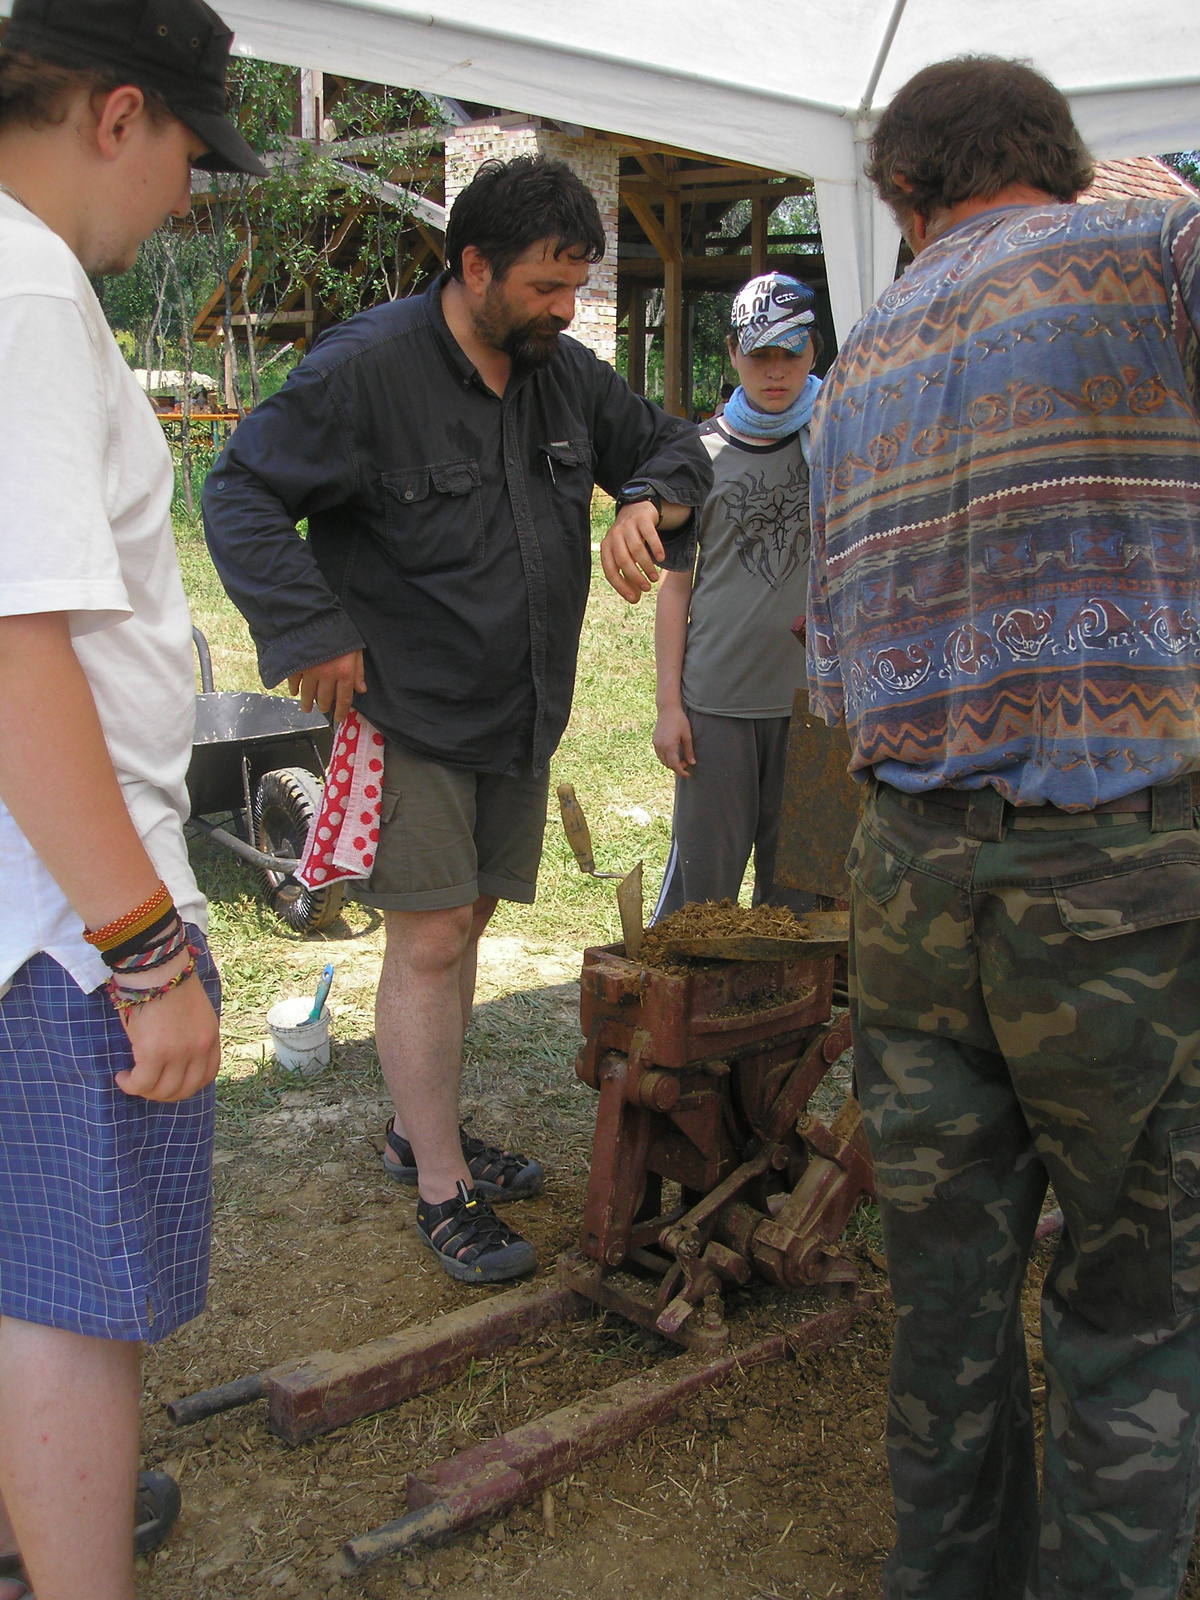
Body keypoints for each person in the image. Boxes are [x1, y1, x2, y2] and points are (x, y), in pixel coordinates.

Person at [806, 54, 1200, 1600]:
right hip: (1113, 883)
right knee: (1135, 1300)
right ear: (1062, 155)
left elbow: (835, 683)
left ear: (905, 196)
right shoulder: (1142, 245)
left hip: (908, 878)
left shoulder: (858, 368)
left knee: (949, 1297)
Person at [202, 154, 711, 1286]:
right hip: (409, 708)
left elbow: (677, 450)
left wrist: (644, 498)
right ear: (472, 265)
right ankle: (440, 1179)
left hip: (521, 709)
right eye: (544, 285)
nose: (564, 310)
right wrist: (308, 627)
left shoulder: (563, 375)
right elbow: (234, 491)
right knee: (429, 938)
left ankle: (411, 1123)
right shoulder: (366, 372)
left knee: (465, 921)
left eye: (576, 288)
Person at [0, 3, 263, 1598]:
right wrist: (146, 947)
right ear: (118, 115)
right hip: (56, 914)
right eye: (185, 157)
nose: (181, 202)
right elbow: (18, 648)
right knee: (72, 1297)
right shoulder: (26, 287)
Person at [652, 271, 820, 921]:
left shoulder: (841, 444)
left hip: (812, 709)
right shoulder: (700, 456)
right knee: (703, 903)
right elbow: (676, 586)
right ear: (731, 353)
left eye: (790, 354)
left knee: (795, 905)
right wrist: (670, 706)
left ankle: (778, 1024)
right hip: (716, 706)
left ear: (814, 351)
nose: (774, 372)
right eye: (759, 355)